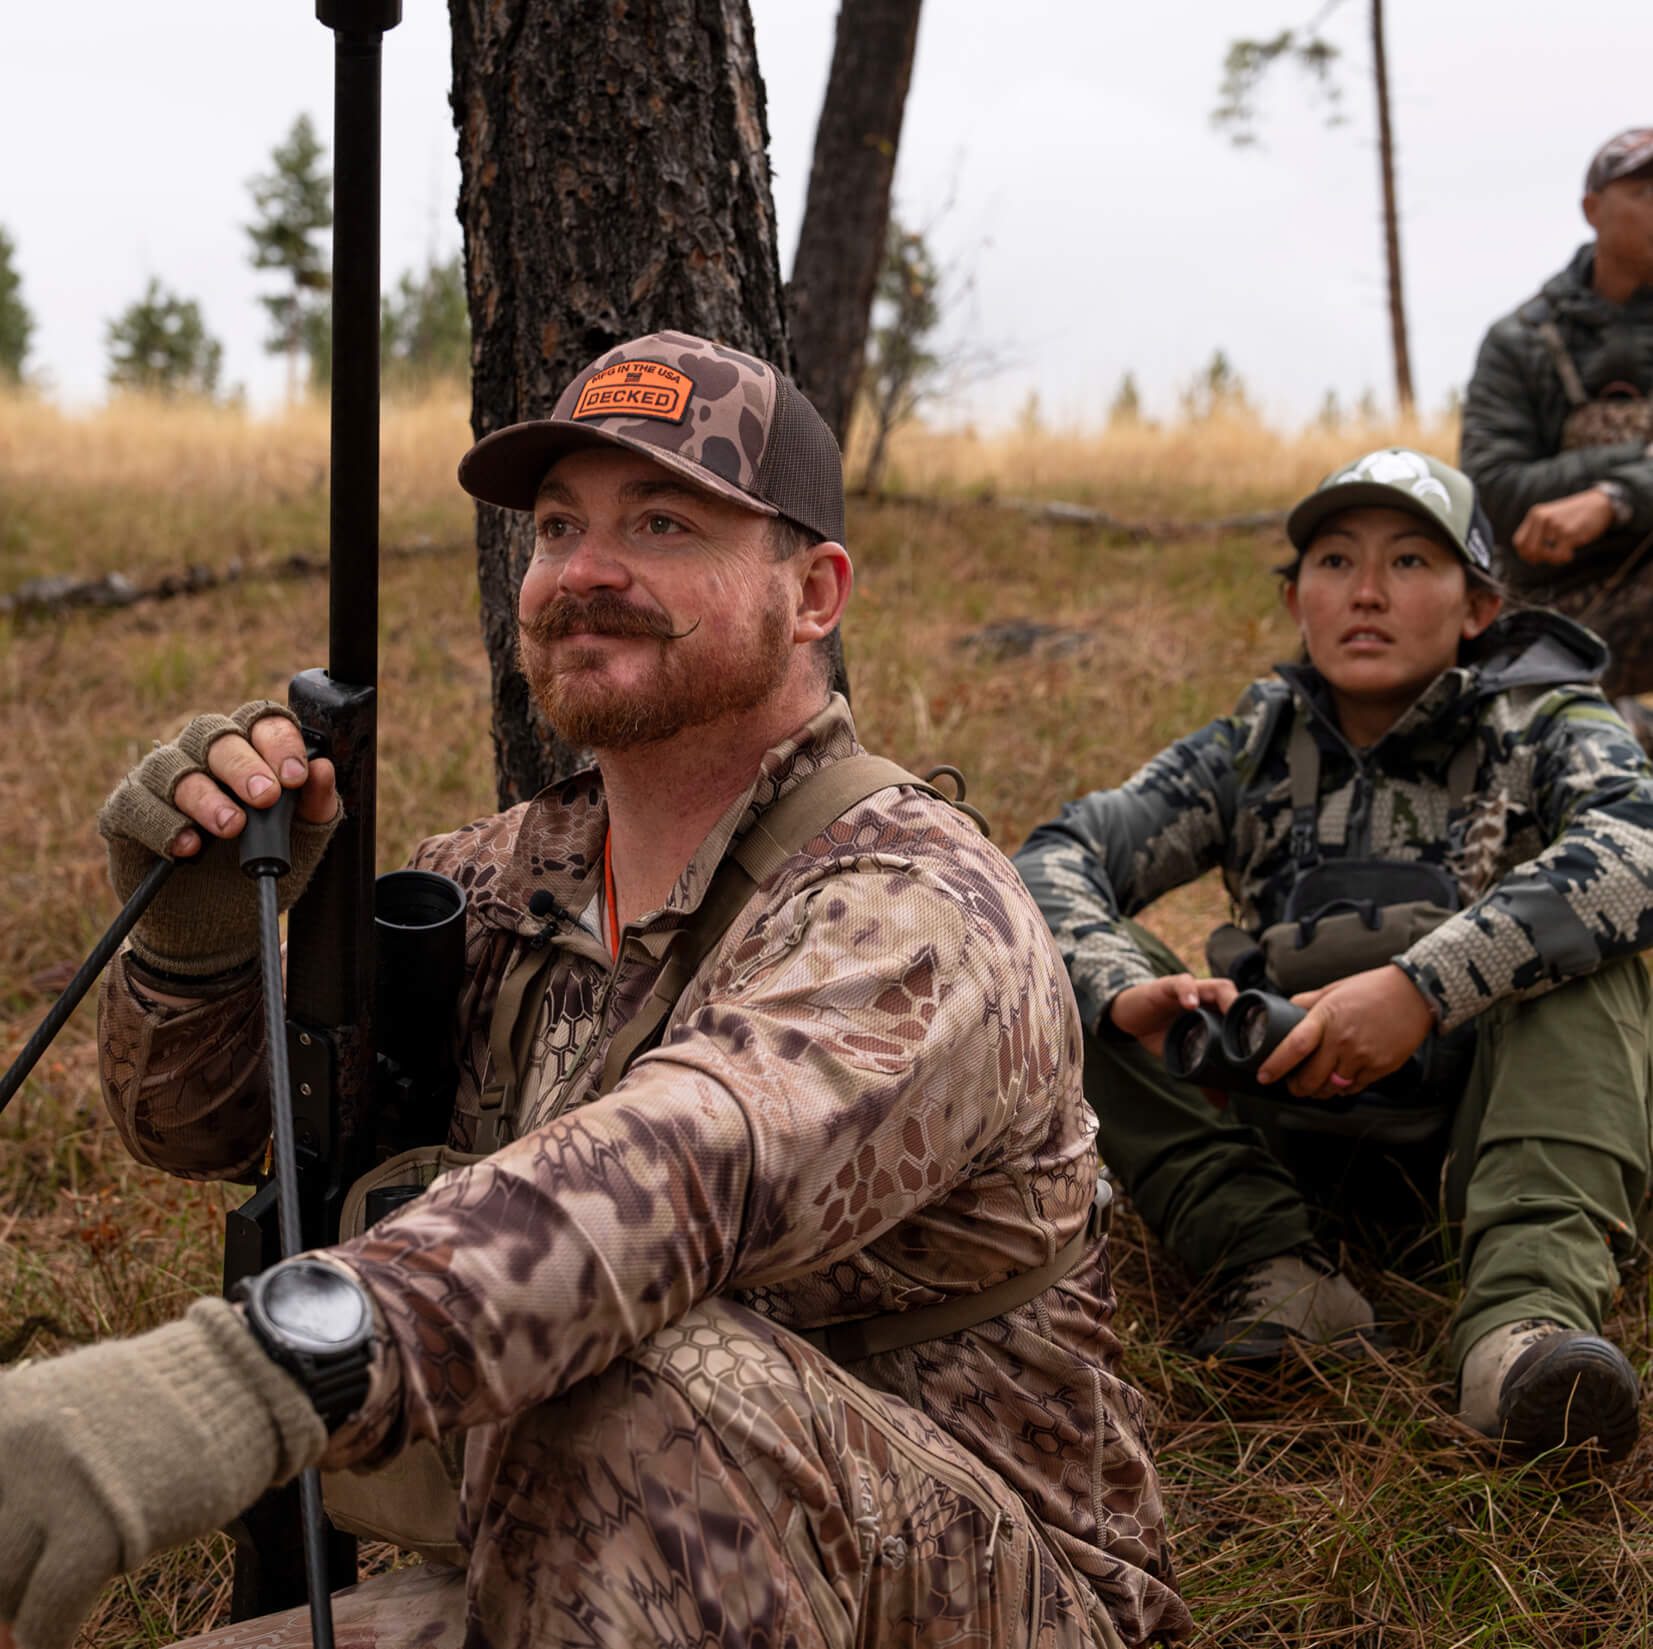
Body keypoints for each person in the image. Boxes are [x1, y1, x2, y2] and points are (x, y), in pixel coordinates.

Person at [0, 333, 1188, 1649]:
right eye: (559, 526)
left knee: (621, 1368)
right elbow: (211, 1130)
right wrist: (199, 941)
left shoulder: (917, 909)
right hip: (576, 1558)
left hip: (964, 1589)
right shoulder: (495, 880)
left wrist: (226, 1385)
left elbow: (681, 1175)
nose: (584, 570)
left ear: (814, 593)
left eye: (663, 523)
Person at [1016, 447, 1653, 1467]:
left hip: (1489, 1134)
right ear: (1294, 598)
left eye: (1409, 562)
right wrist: (1124, 990)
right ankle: (1274, 1267)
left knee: (1591, 958)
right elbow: (1055, 856)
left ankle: (1519, 1332)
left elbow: (1638, 843)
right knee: (1050, 959)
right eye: (1334, 561)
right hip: (1284, 1133)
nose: (1366, 592)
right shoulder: (1250, 745)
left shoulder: (1544, 722)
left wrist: (1422, 988)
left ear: (1479, 606)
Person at [1459, 126, 1653, 724]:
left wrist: (1613, 500)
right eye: (1646, 192)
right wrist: (1638, 456)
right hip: (1545, 608)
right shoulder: (1519, 341)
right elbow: (1492, 490)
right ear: (1592, 210)